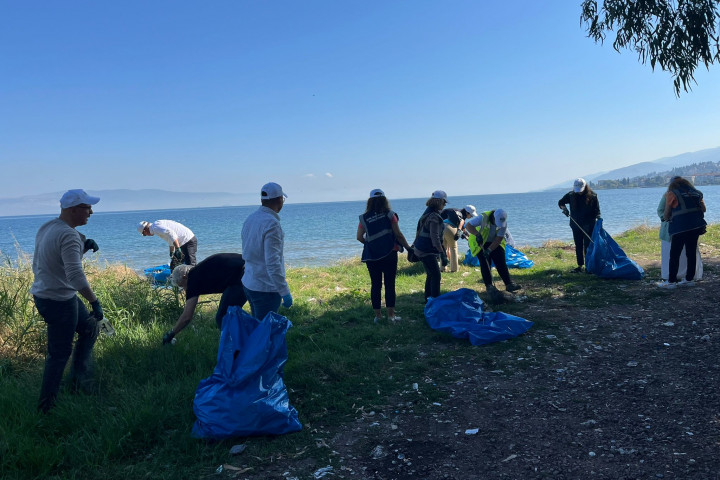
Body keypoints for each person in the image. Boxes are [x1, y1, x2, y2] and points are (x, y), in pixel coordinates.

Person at [30, 189, 104, 413]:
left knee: (90, 328)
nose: (90, 212)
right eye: (86, 208)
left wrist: (83, 245)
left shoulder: (49, 227)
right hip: (59, 301)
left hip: (48, 295)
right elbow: (74, 275)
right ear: (73, 210)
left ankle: (79, 381)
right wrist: (94, 302)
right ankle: (46, 409)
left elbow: (56, 258)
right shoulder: (68, 235)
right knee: (59, 354)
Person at [161, 253, 247, 344]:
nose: (185, 290)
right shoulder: (198, 271)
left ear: (184, 277)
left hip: (242, 275)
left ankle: (237, 345)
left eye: (182, 286)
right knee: (231, 313)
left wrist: (171, 334)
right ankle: (245, 337)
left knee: (222, 317)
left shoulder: (193, 280)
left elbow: (187, 317)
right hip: (249, 266)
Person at [356, 188, 412, 323]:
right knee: (389, 284)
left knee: (375, 285)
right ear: (384, 200)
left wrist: (370, 244)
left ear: (369, 201)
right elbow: (398, 234)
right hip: (389, 254)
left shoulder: (364, 218)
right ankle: (391, 316)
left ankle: (378, 317)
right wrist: (408, 248)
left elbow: (359, 237)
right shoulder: (390, 215)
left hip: (372, 256)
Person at [241, 182, 292, 320]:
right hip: (265, 288)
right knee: (265, 332)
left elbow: (247, 251)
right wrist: (284, 291)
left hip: (249, 282)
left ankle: (252, 342)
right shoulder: (272, 224)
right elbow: (273, 263)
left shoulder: (250, 219)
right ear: (279, 200)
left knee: (258, 326)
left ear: (262, 200)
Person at [659, 176, 707, 289]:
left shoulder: (671, 193)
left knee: (675, 254)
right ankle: (689, 280)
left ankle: (671, 282)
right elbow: (703, 209)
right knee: (691, 252)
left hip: (680, 227)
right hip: (696, 226)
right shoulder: (696, 192)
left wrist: (667, 218)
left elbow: (666, 213)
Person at [465, 209, 522, 292]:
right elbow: (468, 225)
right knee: (485, 264)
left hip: (495, 242)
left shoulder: (503, 224)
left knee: (501, 262)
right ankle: (489, 286)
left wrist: (489, 250)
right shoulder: (483, 217)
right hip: (480, 242)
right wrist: (477, 234)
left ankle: (509, 284)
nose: (497, 225)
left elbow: (499, 238)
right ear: (493, 218)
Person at [412, 190, 449, 302]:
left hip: (420, 249)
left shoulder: (427, 212)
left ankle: (428, 299)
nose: (445, 205)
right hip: (426, 251)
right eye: (444, 202)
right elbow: (435, 237)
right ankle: (435, 302)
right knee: (436, 276)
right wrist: (442, 253)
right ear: (440, 202)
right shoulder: (434, 216)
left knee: (430, 274)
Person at [557, 178, 601, 273]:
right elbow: (560, 202)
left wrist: (598, 218)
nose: (579, 193)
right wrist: (564, 209)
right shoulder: (571, 195)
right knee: (578, 245)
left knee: (588, 246)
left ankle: (589, 266)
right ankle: (580, 266)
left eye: (581, 191)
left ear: (585, 187)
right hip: (575, 224)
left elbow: (597, 210)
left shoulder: (593, 196)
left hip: (589, 225)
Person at [440, 204, 477, 273]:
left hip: (441, 227)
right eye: (471, 215)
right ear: (467, 212)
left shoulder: (456, 211)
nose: (471, 217)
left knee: (443, 248)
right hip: (450, 227)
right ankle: (454, 269)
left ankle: (443, 268)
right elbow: (461, 226)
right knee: (453, 248)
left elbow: (463, 230)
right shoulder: (461, 216)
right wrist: (464, 235)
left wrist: (467, 237)